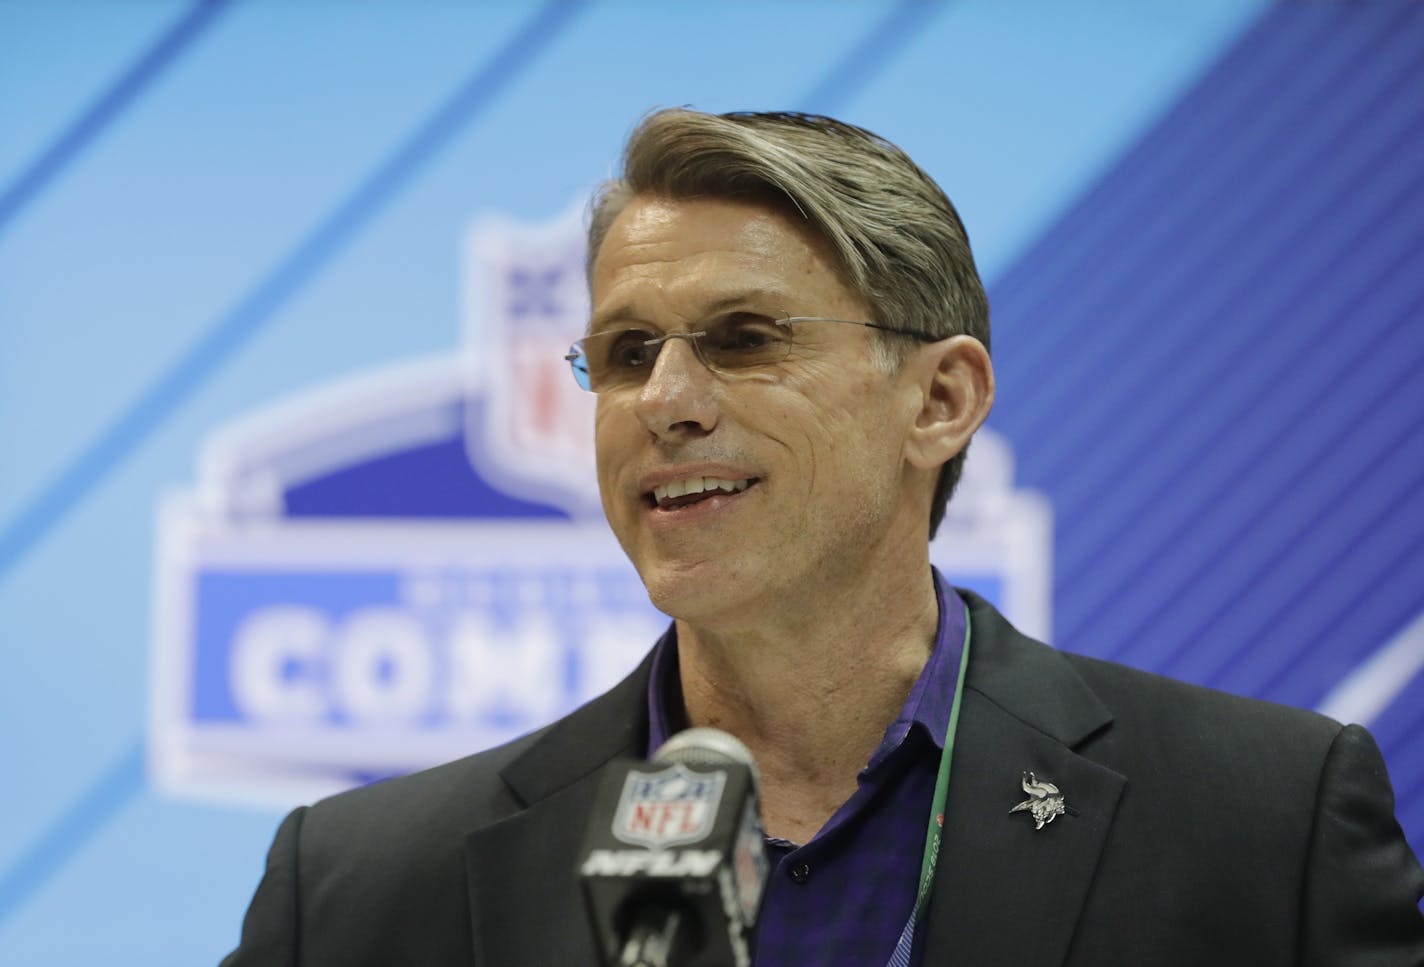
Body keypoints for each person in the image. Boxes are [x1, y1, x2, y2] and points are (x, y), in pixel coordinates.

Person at [222, 109, 1424, 966]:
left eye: (743, 337)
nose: (666, 402)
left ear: (939, 401)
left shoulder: (1264, 822)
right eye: (626, 353)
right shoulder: (354, 887)